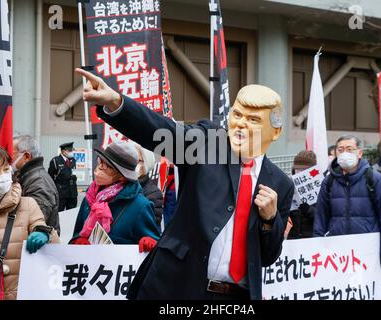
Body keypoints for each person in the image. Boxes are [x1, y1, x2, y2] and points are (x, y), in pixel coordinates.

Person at [76, 67, 294, 300]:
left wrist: (270, 220)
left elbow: (269, 255)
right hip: (176, 287)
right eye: (237, 115)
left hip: (235, 296)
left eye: (253, 120)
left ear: (276, 131)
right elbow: (161, 130)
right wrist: (116, 103)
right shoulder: (207, 143)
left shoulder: (280, 184)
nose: (240, 125)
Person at [313, 135, 381, 299]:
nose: (345, 153)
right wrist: (318, 247)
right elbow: (321, 218)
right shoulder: (329, 182)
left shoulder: (374, 179)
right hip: (338, 255)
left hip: (368, 254)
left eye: (350, 149)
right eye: (340, 149)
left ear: (360, 153)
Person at [0, 143, 59, 300]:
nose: (3, 175)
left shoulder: (27, 204)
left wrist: (45, 234)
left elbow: (54, 246)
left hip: (19, 294)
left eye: (6, 169)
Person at [70, 141, 160, 246]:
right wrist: (78, 239)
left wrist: (149, 242)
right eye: (100, 161)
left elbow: (154, 244)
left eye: (106, 166)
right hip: (87, 261)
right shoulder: (90, 198)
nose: (99, 167)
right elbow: (76, 233)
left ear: (122, 175)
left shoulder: (140, 206)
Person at [12, 135, 60, 235]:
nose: (8, 159)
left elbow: (33, 221)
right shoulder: (26, 176)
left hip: (37, 247)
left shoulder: (38, 182)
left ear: (26, 156)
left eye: (11, 154)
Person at [287, 150, 317, 239]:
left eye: (304, 169)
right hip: (292, 236)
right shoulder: (288, 183)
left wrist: (308, 210)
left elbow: (322, 215)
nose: (300, 172)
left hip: (311, 237)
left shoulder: (319, 185)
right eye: (298, 168)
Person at [133, 142, 163, 228]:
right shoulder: (119, 186)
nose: (132, 163)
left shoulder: (153, 193)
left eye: (137, 160)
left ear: (146, 164)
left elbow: (150, 226)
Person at [48, 142, 78, 211]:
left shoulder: (73, 160)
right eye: (70, 151)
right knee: (59, 214)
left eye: (72, 150)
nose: (72, 152)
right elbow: (50, 178)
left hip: (72, 193)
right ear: (63, 151)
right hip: (61, 194)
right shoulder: (55, 161)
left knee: (71, 214)